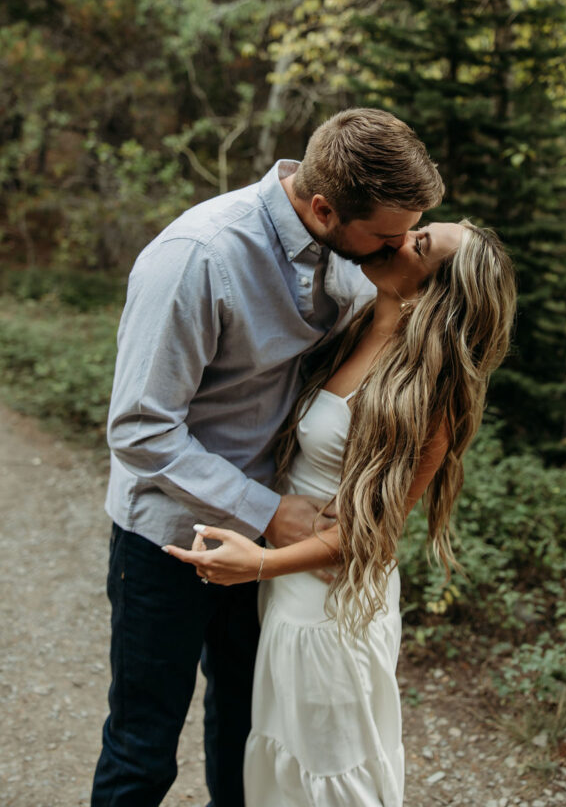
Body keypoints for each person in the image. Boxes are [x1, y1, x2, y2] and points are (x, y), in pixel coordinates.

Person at [91, 107, 445, 807]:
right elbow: (139, 426)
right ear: (322, 207)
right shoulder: (200, 254)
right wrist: (268, 511)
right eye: (385, 235)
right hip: (169, 536)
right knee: (142, 747)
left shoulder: (356, 260)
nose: (397, 249)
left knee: (246, 737)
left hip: (277, 553)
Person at [165, 219, 517, 807]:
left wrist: (259, 564)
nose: (401, 236)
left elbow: (373, 533)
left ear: (438, 294)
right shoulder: (352, 322)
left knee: (331, 772)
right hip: (289, 595)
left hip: (335, 606)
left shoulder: (427, 391)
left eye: (420, 246)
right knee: (283, 763)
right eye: (418, 228)